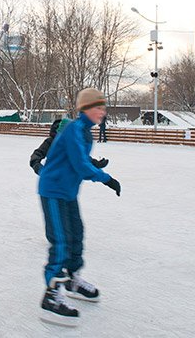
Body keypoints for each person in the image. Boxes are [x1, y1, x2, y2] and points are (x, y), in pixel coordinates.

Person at [37, 88, 121, 327]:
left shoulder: (86, 134)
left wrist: (99, 171)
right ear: (85, 109)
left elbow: (81, 163)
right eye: (98, 107)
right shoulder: (74, 129)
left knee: (77, 235)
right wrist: (106, 178)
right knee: (61, 240)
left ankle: (72, 279)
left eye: (104, 108)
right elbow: (81, 165)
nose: (102, 112)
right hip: (52, 190)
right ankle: (51, 295)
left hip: (68, 192)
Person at [30, 119, 109, 175]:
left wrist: (97, 164)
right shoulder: (50, 142)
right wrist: (39, 168)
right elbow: (36, 155)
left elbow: (82, 158)